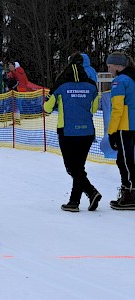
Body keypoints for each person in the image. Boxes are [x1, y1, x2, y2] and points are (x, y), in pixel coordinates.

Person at [44, 51, 102, 212]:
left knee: (72, 168)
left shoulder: (61, 85)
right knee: (79, 167)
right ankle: (76, 200)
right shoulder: (91, 85)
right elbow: (95, 108)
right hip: (87, 131)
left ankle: (88, 193)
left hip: (67, 131)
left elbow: (47, 107)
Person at [106, 52, 135, 210]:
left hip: (125, 126)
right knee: (129, 159)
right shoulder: (132, 78)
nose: (109, 69)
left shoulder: (119, 81)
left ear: (118, 66)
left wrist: (112, 132)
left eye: (109, 66)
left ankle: (130, 193)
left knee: (124, 161)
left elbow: (117, 109)